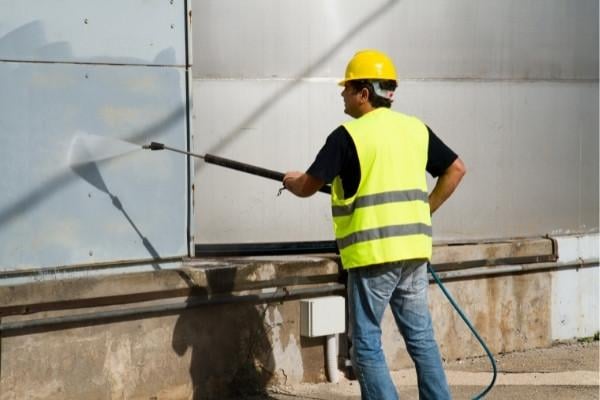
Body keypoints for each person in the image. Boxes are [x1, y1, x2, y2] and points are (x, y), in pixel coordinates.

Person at [282, 49, 465, 400]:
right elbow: (456, 169)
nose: (342, 94)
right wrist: (425, 211)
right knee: (421, 337)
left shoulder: (347, 136)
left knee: (366, 343)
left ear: (364, 93)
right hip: (413, 251)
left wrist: (293, 183)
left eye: (347, 88)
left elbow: (308, 186)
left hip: (373, 254)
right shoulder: (415, 129)